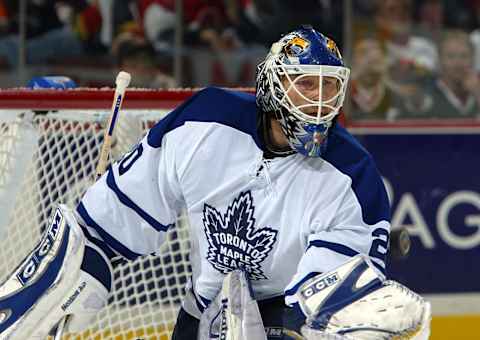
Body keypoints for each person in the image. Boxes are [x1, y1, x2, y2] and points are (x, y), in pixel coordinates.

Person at [0, 26, 430, 340]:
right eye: (304, 84)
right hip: (201, 312)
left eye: (328, 86)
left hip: (282, 315)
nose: (318, 100)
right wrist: (73, 267)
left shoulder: (353, 177)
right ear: (274, 84)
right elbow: (108, 223)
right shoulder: (204, 122)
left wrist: (325, 318)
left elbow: (324, 297)